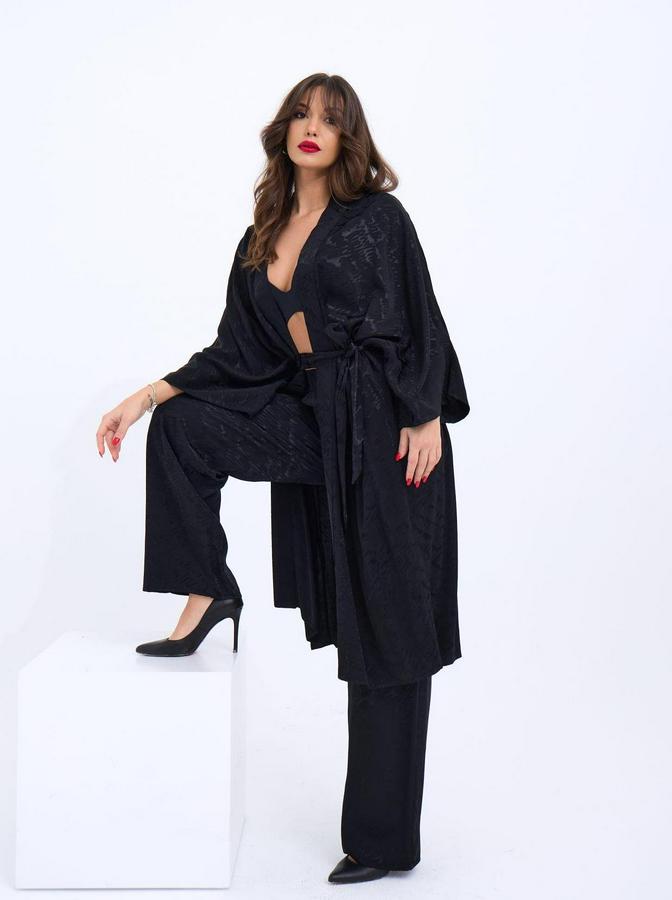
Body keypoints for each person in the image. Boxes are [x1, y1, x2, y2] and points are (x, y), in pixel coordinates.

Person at [96, 73, 470, 885]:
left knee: (386, 624)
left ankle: (381, 842)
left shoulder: (377, 220)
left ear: (348, 138)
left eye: (330, 119)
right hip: (311, 422)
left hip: (383, 428)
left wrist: (425, 414)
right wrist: (149, 394)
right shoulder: (261, 234)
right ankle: (207, 591)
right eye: (302, 113)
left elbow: (420, 319)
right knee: (185, 426)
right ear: (284, 130)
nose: (312, 127)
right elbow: (235, 354)